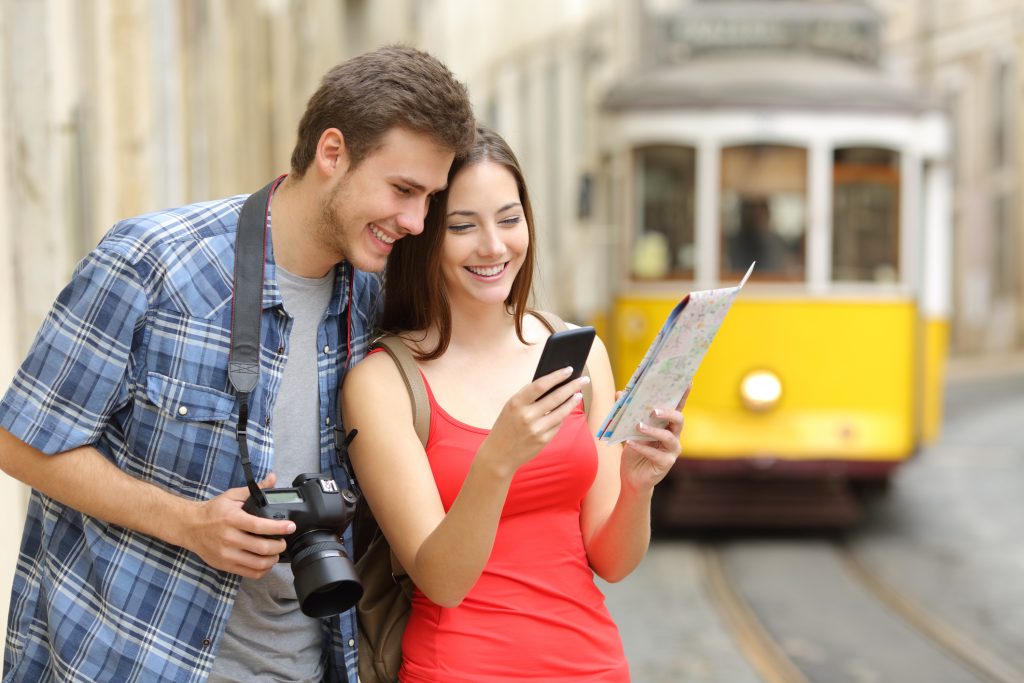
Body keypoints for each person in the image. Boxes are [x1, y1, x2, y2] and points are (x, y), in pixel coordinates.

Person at [0, 45, 474, 683]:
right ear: (331, 154)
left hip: (307, 662)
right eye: (402, 190)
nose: (417, 221)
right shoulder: (153, 262)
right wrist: (189, 523)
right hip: (135, 660)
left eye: (430, 198)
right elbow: (18, 442)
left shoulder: (374, 298)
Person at [341, 125, 687, 682]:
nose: (494, 246)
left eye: (509, 219)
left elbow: (612, 562)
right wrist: (498, 458)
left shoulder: (581, 353)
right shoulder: (383, 383)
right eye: (462, 226)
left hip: (592, 664)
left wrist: (638, 485)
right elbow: (442, 580)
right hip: (459, 668)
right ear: (425, 235)